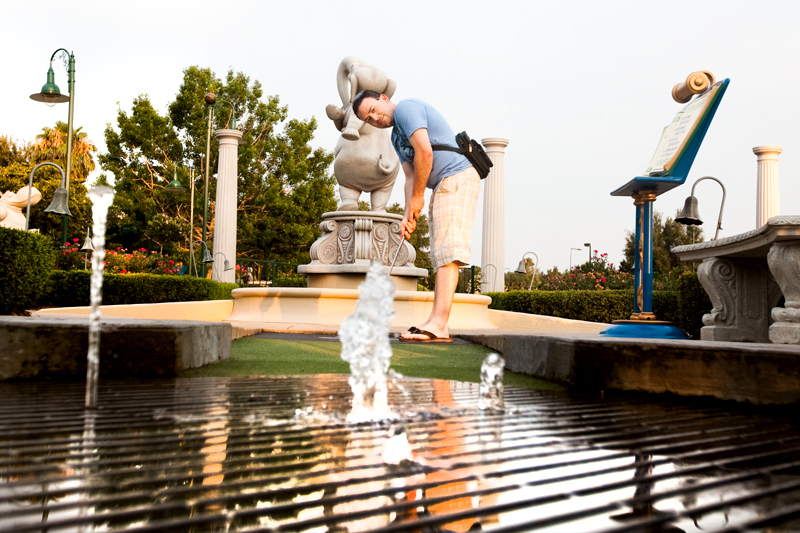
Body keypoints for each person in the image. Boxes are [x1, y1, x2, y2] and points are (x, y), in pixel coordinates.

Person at [353, 90, 481, 342]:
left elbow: (425, 152)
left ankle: (439, 325)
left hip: (456, 177)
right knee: (440, 253)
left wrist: (418, 198)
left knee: (448, 252)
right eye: (368, 119)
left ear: (383, 98)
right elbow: (410, 176)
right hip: (443, 184)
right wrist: (406, 216)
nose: (375, 118)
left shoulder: (406, 109)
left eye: (373, 110)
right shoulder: (395, 136)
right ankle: (435, 321)